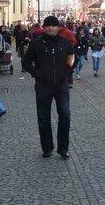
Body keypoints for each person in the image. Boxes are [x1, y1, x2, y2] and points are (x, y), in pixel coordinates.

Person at [23, 16, 75, 159]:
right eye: (48, 25)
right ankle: (47, 148)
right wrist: (37, 74)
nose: (51, 28)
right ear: (44, 28)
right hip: (43, 86)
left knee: (65, 114)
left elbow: (72, 59)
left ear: (58, 27)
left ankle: (63, 148)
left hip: (61, 85)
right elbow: (26, 62)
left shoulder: (65, 42)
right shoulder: (36, 43)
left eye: (53, 25)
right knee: (43, 117)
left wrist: (67, 72)